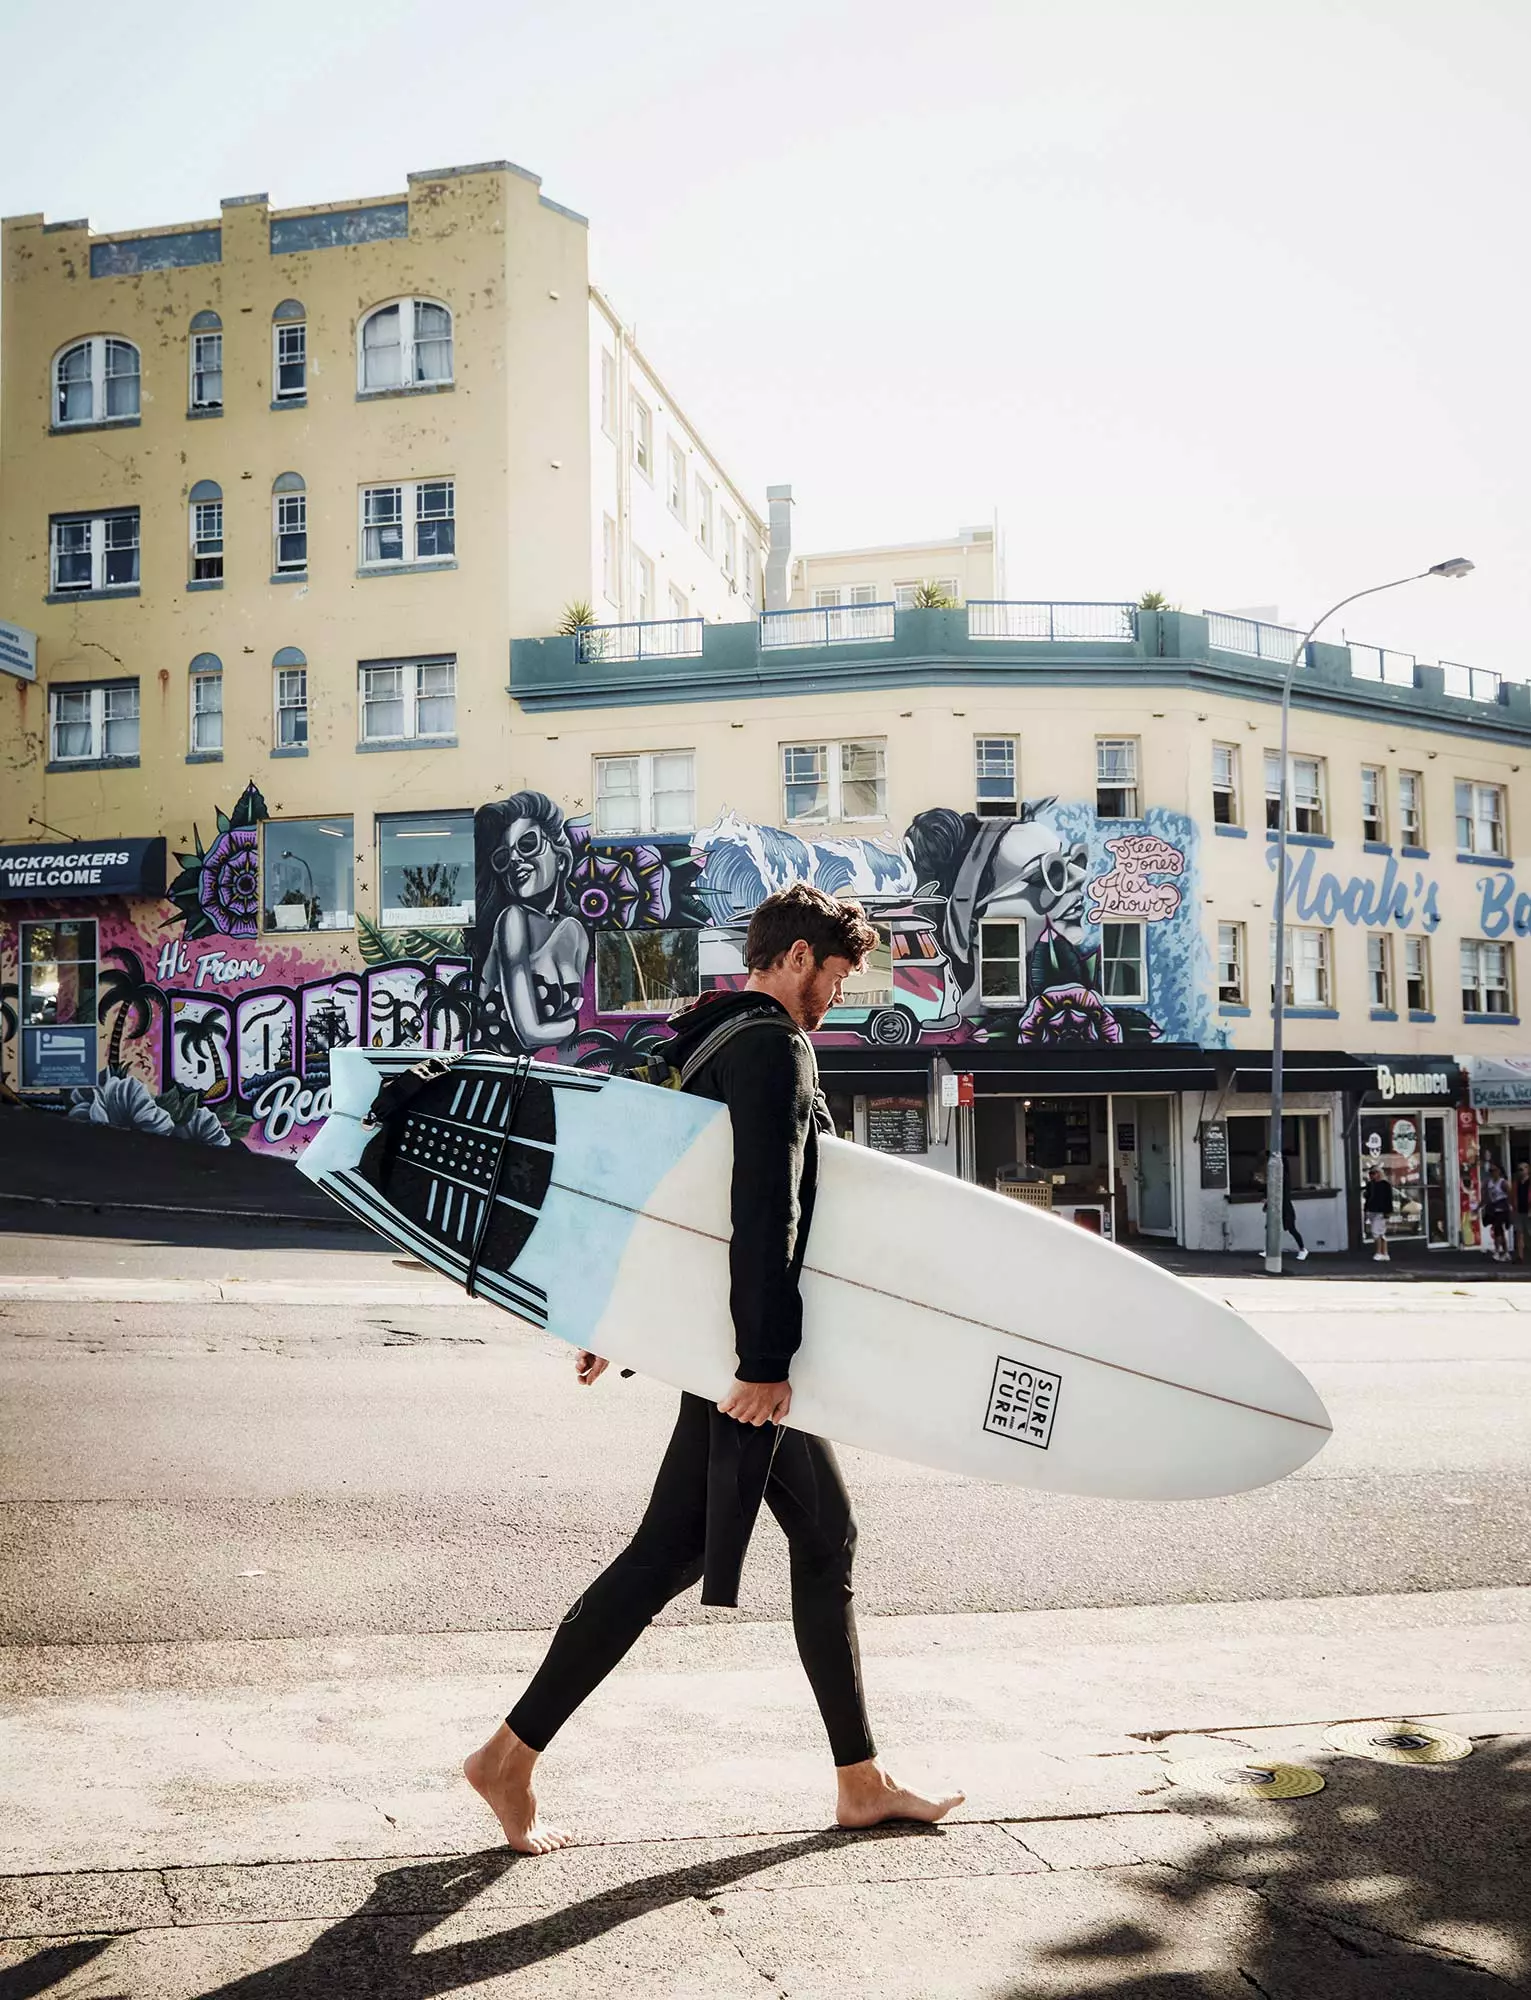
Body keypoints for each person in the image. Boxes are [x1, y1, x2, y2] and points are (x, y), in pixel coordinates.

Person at [463, 882, 965, 1853]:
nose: (835, 998)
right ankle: (508, 1755)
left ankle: (858, 1777)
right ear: (791, 958)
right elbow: (760, 1203)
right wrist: (766, 1356)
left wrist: (618, 1315)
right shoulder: (774, 1044)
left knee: (795, 1540)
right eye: (832, 976)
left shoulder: (699, 1041)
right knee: (711, 1549)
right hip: (742, 1352)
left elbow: (654, 1188)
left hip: (711, 1340)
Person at [1253, 1166, 1307, 1261]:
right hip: (1275, 1209)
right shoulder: (1271, 1183)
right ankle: (1269, 1250)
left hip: (1285, 1209)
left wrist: (1267, 1200)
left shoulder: (1283, 1182)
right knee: (1270, 1228)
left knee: (1291, 1229)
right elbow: (1268, 1194)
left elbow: (1278, 1195)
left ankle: (1303, 1249)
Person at [1482, 1163, 1514, 1263]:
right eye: (1490, 1171)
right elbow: (1486, 1197)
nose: (1492, 1173)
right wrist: (1480, 1207)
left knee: (1498, 1229)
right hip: (1494, 1208)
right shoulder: (1489, 1182)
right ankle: (1506, 1252)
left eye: (1494, 1170)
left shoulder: (1503, 1183)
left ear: (1499, 1171)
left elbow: (1510, 1195)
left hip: (1502, 1208)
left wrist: (1511, 1206)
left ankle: (1496, 1251)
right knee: (1499, 1231)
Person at [1362, 1167, 1394, 1263]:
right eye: (1370, 1173)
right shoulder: (1370, 1184)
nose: (1371, 1175)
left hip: (1381, 1211)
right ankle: (1385, 1253)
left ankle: (1379, 1252)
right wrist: (1366, 1209)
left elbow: (1388, 1199)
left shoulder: (1385, 1185)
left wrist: (1387, 1212)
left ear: (1379, 1173)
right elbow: (1368, 1197)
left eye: (1374, 1173)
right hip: (1372, 1210)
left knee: (1376, 1231)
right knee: (1380, 1232)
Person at [1514, 1162, 1531, 1264]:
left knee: (1529, 1233)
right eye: (1519, 1170)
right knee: (1519, 1234)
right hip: (1520, 1210)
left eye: (1522, 1169)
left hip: (1529, 1211)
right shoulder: (1517, 1183)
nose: (1520, 1172)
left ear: (1527, 1169)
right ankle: (1520, 1257)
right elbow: (1514, 1195)